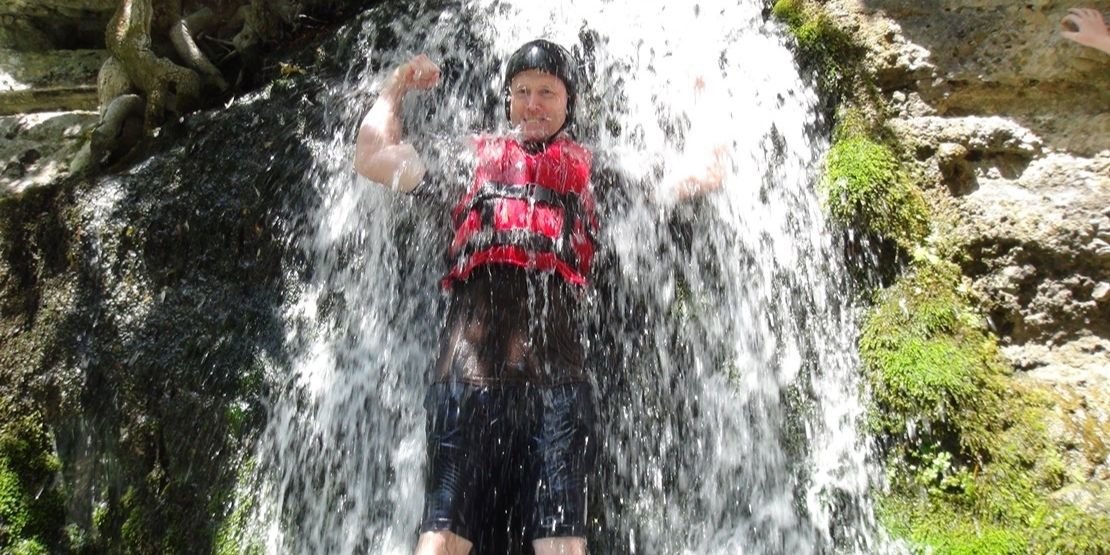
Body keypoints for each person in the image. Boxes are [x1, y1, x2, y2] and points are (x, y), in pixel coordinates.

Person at [354, 39, 724, 555]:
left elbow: (704, 173)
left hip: (558, 388)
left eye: (547, 92)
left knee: (564, 547)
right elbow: (371, 156)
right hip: (467, 380)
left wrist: (704, 90)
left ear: (569, 103)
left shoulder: (597, 173)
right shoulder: (466, 161)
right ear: (507, 100)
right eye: (522, 91)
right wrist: (396, 88)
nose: (532, 104)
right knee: (439, 542)